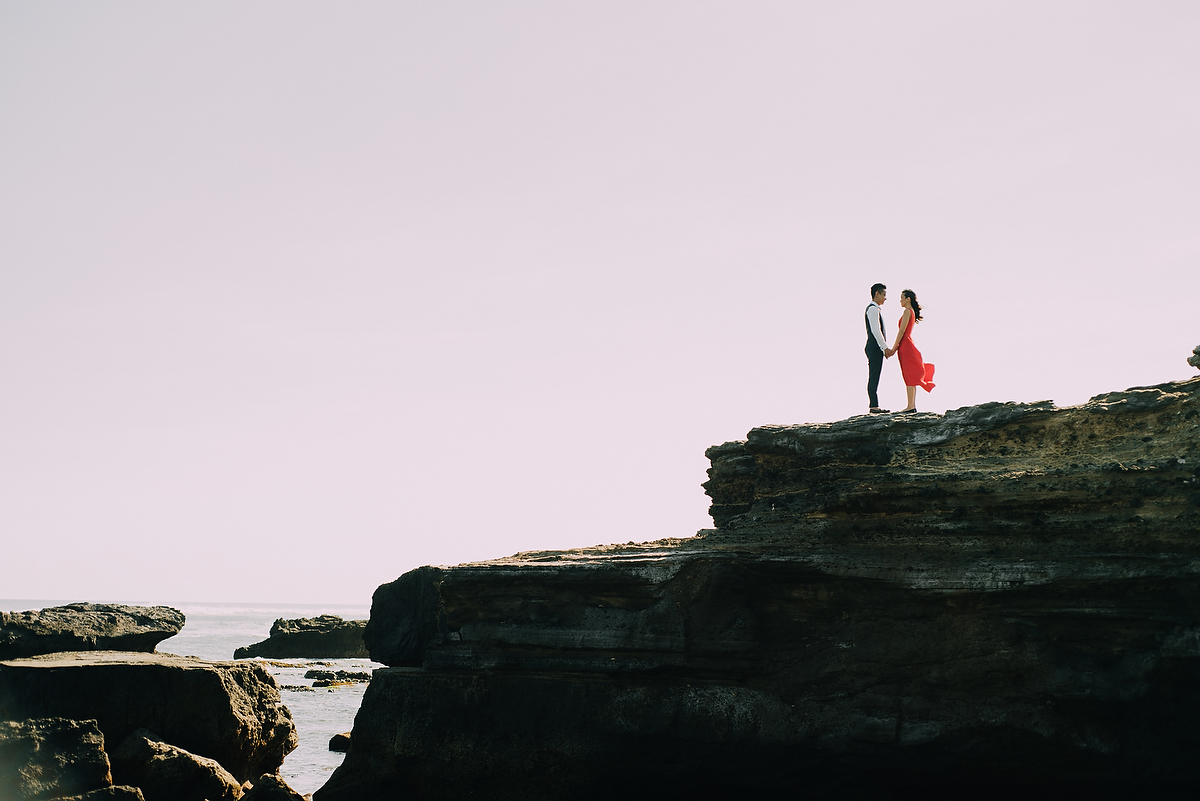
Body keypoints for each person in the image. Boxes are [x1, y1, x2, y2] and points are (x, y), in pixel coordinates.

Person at [885, 288, 935, 412]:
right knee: (909, 376)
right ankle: (911, 405)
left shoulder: (907, 311)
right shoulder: (911, 311)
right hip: (907, 345)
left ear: (908, 299)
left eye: (902, 297)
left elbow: (901, 331)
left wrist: (893, 348)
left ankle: (910, 406)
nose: (900, 300)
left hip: (905, 346)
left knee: (908, 375)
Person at [864, 283, 889, 413]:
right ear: (877, 294)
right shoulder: (872, 309)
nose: (885, 298)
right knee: (874, 375)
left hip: (875, 347)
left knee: (875, 375)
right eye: (884, 294)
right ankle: (873, 406)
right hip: (874, 347)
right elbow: (876, 330)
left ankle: (874, 405)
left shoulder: (875, 309)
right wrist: (884, 348)